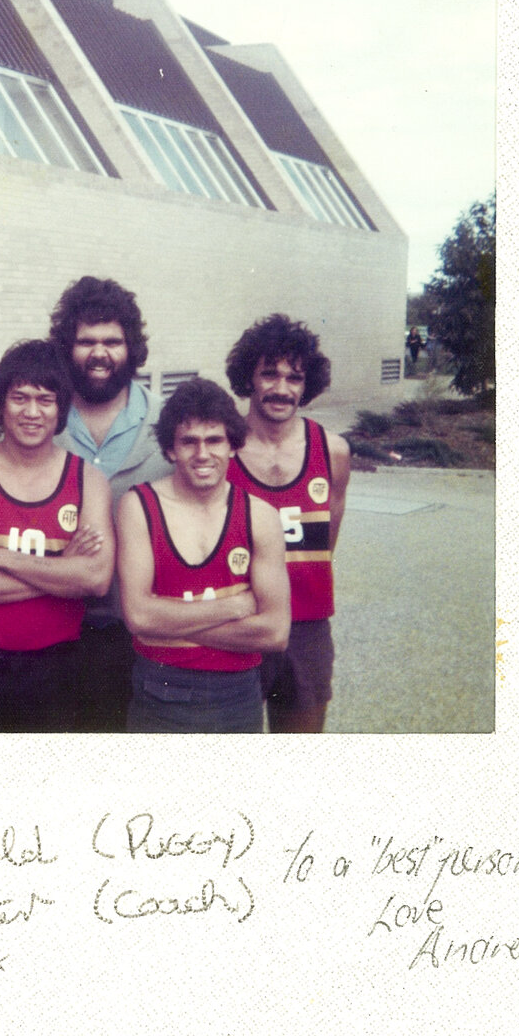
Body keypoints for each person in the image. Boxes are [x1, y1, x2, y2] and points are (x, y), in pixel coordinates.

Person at [0, 339, 113, 732]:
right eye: (20, 398)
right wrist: (61, 573)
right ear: (0, 404)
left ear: (61, 409)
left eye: (45, 400)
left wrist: (2, 557)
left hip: (57, 669)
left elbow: (95, 579)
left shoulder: (88, 481)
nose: (32, 412)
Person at [116, 378, 289, 733]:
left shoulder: (260, 516)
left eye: (214, 440)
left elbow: (274, 633)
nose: (202, 454)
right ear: (170, 449)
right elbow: (138, 617)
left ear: (233, 446)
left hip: (237, 692)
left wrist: (170, 625)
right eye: (189, 442)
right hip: (160, 688)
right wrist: (234, 608)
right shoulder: (140, 506)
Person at [49, 275, 169, 730]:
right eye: (86, 341)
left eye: (112, 341)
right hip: (55, 632)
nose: (99, 353)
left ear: (131, 346)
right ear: (67, 346)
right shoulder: (36, 419)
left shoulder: (168, 424)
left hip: (143, 636)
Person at [225, 313, 350, 733]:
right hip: (237, 624)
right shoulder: (221, 451)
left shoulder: (332, 452)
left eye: (294, 378)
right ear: (249, 378)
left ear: (307, 384)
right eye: (269, 374)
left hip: (307, 628)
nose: (281, 389)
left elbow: (324, 546)